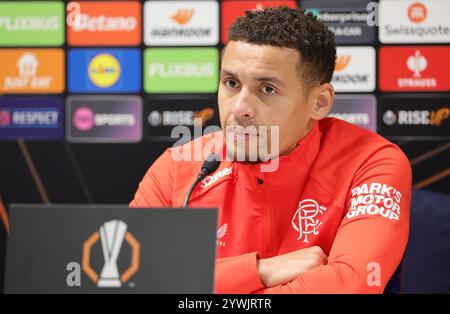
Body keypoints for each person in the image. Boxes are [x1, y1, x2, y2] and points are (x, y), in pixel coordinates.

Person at [130, 7, 411, 294]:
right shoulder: (179, 167)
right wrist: (259, 271)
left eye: (267, 89)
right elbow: (129, 278)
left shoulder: (371, 162)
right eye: (231, 83)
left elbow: (351, 285)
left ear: (319, 102)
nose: (239, 109)